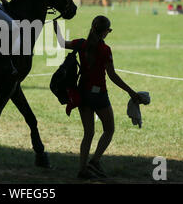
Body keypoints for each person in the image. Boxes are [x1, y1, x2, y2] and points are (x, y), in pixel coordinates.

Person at [54, 16, 143, 179]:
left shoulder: (81, 44)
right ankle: (95, 161)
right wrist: (131, 91)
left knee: (88, 133)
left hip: (82, 93)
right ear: (105, 32)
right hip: (99, 95)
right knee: (109, 130)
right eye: (108, 30)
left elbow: (61, 42)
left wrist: (56, 26)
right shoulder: (105, 50)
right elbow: (112, 75)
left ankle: (82, 169)